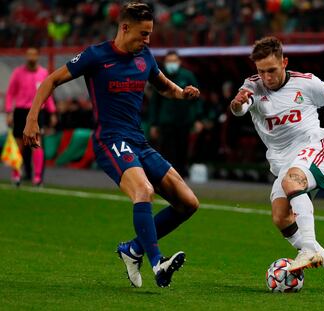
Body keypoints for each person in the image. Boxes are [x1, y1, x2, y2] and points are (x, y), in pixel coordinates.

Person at [23, 2, 200, 288]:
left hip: (138, 141)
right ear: (124, 27)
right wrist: (33, 118)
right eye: (143, 34)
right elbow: (51, 80)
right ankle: (157, 264)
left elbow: (164, 86)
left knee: (188, 203)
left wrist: (183, 94)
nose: (148, 40)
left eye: (150, 34)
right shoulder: (96, 56)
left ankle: (132, 250)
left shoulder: (145, 57)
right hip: (110, 141)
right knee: (144, 191)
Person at [229, 37, 324, 292]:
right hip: (284, 161)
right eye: (261, 71)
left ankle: (307, 249)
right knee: (281, 217)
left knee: (291, 181)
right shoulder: (252, 85)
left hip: (314, 147)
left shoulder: (307, 83)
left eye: (271, 70)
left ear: (284, 62)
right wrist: (237, 105)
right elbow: (241, 108)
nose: (267, 77)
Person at [5, 47, 57, 186]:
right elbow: (10, 93)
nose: (31, 57)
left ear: (37, 56)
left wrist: (52, 112)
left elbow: (48, 94)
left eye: (33, 55)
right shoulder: (18, 73)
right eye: (29, 55)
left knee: (36, 144)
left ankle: (38, 177)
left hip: (37, 113)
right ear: (26, 57)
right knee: (18, 145)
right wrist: (9, 111)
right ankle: (16, 174)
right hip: (21, 111)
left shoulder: (43, 73)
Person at [148, 50, 203, 177]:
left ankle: (181, 176)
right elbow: (155, 103)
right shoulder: (161, 77)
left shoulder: (187, 76)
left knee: (183, 149)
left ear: (179, 62)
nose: (171, 64)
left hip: (184, 121)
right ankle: (168, 175)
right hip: (166, 121)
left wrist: (198, 118)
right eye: (169, 61)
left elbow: (197, 99)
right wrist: (154, 124)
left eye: (174, 61)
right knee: (167, 150)